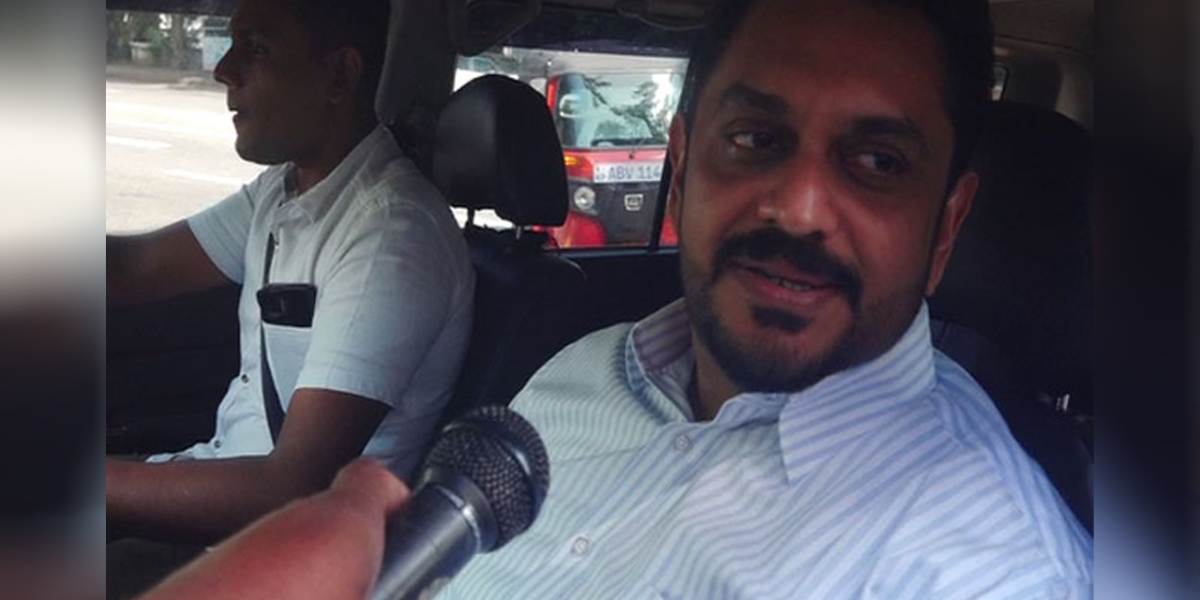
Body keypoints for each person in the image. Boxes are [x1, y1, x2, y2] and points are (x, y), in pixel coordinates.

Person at [141, 0, 1094, 597]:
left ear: (946, 227)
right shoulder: (581, 374)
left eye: (878, 162)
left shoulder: (984, 569)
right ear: (681, 171)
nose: (801, 207)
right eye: (755, 140)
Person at [105, 0, 474, 596]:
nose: (223, 69)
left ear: (340, 75)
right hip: (221, 513)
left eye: (257, 48)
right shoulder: (284, 191)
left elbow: (293, 486)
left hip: (280, 557)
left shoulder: (392, 234)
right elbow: (135, 266)